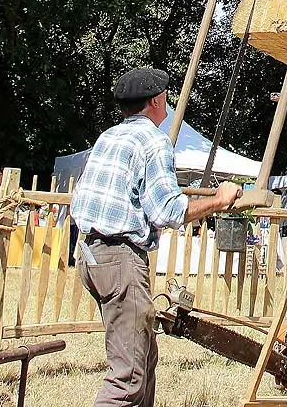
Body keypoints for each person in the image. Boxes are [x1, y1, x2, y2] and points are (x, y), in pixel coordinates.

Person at [70, 67, 240, 407]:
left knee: (144, 357)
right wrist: (220, 200)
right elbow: (167, 211)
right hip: (120, 258)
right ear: (157, 101)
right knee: (128, 377)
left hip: (90, 254)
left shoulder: (109, 137)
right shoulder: (153, 140)